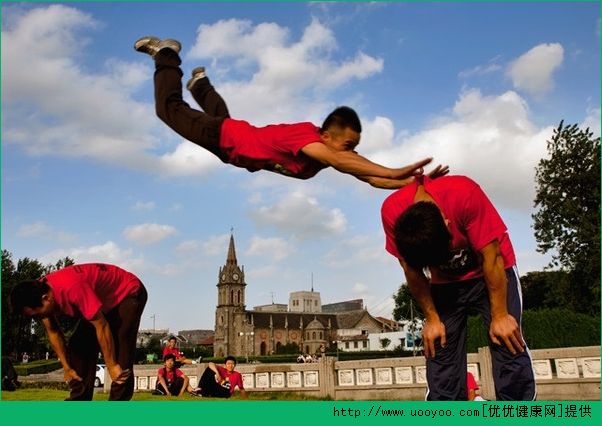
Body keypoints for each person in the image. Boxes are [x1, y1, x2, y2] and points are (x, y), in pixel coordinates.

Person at [134, 36, 448, 189]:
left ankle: (201, 85)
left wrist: (416, 184)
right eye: (349, 145)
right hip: (225, 137)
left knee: (224, 120)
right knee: (169, 110)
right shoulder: (308, 140)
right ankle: (166, 54)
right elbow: (344, 160)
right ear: (325, 136)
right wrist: (394, 170)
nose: (352, 152)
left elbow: (367, 178)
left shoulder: (327, 157)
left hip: (234, 144)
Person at [381, 175, 536, 401]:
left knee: (506, 340)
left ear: (446, 222)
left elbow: (492, 258)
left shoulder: (464, 194)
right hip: (444, 285)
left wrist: (500, 315)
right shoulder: (391, 212)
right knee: (439, 349)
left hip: (490, 271)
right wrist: (432, 319)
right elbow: (411, 272)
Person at [10, 263, 147, 401]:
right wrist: (67, 368)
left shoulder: (72, 288)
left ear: (46, 298)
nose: (38, 318)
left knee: (120, 356)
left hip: (128, 293)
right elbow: (53, 332)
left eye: (36, 315)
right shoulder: (39, 292)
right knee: (78, 346)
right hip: (103, 303)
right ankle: (79, 403)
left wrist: (111, 365)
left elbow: (102, 326)